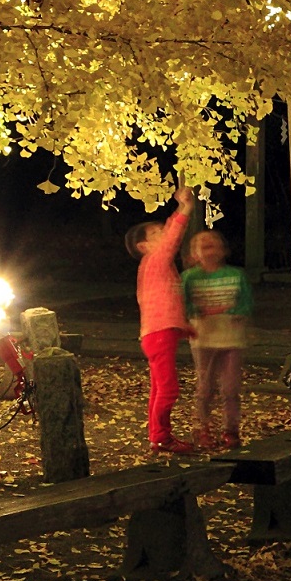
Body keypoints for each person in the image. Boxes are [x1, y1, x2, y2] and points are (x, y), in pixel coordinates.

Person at [125, 185, 197, 453]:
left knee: (159, 387)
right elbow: (173, 238)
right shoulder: (155, 260)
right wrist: (184, 209)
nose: (165, 235)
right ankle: (161, 436)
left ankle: (158, 434)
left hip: (155, 333)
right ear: (144, 245)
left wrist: (182, 326)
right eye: (158, 233)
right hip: (158, 333)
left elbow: (161, 302)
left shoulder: (153, 267)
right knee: (168, 389)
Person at [181, 230, 253, 450]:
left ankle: (231, 429)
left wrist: (235, 311)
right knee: (205, 386)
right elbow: (182, 304)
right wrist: (196, 312)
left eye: (213, 245)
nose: (208, 250)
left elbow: (246, 301)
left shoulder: (236, 275)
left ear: (223, 250)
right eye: (203, 247)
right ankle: (202, 428)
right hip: (204, 339)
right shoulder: (190, 278)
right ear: (194, 253)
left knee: (231, 388)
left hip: (231, 338)